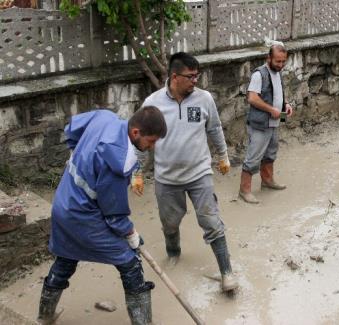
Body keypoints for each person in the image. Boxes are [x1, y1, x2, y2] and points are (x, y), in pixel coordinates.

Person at [37, 107, 167, 325]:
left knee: (67, 257)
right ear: (136, 133)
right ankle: (143, 322)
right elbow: (115, 216)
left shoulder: (105, 117)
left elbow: (71, 130)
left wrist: (82, 160)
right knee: (130, 261)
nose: (151, 148)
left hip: (64, 200)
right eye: (151, 142)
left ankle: (44, 317)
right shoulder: (116, 161)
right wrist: (132, 234)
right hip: (82, 214)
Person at [139, 52, 238, 292]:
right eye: (191, 76)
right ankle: (173, 254)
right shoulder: (152, 103)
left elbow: (214, 128)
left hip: (199, 173)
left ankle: (226, 273)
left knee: (212, 222)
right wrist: (136, 172)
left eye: (197, 76)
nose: (196, 80)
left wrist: (223, 156)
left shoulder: (204, 99)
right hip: (167, 178)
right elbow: (140, 140)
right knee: (170, 224)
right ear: (175, 77)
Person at [238, 43, 294, 204]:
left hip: (274, 122)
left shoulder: (277, 73)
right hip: (260, 123)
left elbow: (278, 93)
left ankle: (267, 181)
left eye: (283, 61)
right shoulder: (259, 74)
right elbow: (252, 98)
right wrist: (271, 110)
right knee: (253, 157)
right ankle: (244, 190)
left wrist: (286, 105)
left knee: (270, 153)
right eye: (278, 61)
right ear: (268, 58)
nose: (281, 65)